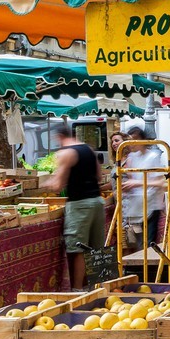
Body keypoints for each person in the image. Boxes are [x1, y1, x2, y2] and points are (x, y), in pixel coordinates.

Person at [41, 123, 106, 288]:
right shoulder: (89, 149)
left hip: (79, 204)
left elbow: (58, 185)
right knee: (94, 248)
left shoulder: (66, 153)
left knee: (78, 248)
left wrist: (44, 183)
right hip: (97, 202)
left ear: (59, 137)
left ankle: (77, 289)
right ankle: (96, 287)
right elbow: (99, 177)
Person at [116, 119, 167, 251]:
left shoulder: (153, 156)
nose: (132, 144)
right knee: (138, 244)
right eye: (130, 140)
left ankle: (150, 269)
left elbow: (160, 182)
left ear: (142, 140)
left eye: (134, 140)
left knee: (148, 244)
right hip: (137, 207)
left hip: (151, 206)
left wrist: (136, 183)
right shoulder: (132, 157)